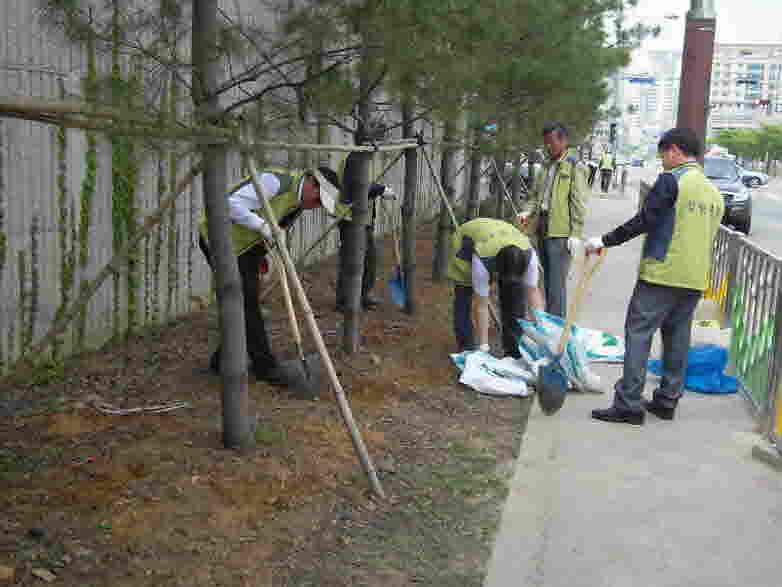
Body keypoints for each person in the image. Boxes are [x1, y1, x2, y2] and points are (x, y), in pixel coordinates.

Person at [585, 128, 724, 425]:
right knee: (677, 338)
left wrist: (605, 240)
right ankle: (667, 400)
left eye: (663, 154)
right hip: (695, 277)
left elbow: (645, 220)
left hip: (662, 273)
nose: (662, 161)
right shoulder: (713, 193)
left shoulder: (671, 181)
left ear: (674, 150)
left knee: (638, 333)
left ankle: (629, 404)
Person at [198, 166, 341, 388]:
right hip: (219, 239)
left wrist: (261, 254)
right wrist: (264, 227)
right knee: (247, 304)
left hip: (246, 248)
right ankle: (266, 368)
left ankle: (222, 360)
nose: (317, 206)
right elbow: (228, 204)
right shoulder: (274, 183)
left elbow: (272, 228)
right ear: (311, 182)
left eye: (322, 205)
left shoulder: (298, 203)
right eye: (319, 199)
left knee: (244, 304)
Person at [448, 218, 545, 358]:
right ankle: (467, 346)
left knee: (514, 298)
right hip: (466, 243)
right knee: (465, 294)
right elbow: (480, 304)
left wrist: (543, 332)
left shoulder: (529, 256)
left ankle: (512, 350)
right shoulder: (481, 260)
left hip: (498, 235)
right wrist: (484, 346)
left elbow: (533, 292)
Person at [518, 122, 587, 318]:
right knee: (547, 279)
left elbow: (578, 203)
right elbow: (535, 195)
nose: (547, 146)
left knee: (556, 284)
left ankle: (556, 328)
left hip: (561, 233)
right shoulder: (547, 166)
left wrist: (575, 234)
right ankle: (551, 322)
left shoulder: (574, 167)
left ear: (563, 141)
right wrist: (527, 211)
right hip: (542, 226)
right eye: (545, 143)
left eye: (551, 142)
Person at [333, 151, 397, 312]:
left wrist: (378, 189)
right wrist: (381, 189)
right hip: (350, 217)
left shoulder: (365, 157)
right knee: (351, 259)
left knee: (369, 259)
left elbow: (366, 182)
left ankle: (363, 294)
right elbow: (358, 184)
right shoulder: (354, 158)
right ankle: (344, 300)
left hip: (364, 217)